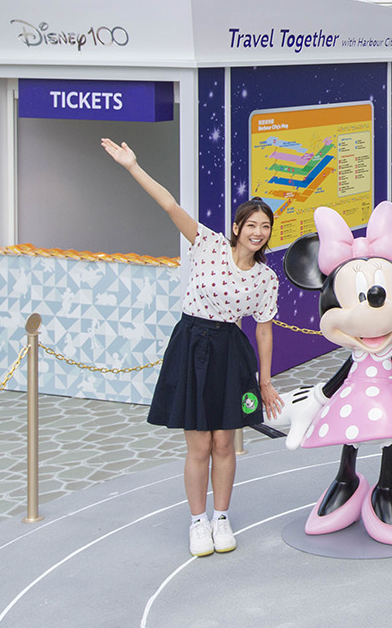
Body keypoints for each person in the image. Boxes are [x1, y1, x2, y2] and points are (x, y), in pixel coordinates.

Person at [100, 138, 283, 558]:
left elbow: (264, 332)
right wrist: (132, 165)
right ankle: (197, 521)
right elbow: (168, 204)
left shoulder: (264, 278)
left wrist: (266, 382)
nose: (258, 232)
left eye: (265, 227)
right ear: (236, 227)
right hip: (192, 345)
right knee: (198, 445)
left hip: (230, 352)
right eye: (251, 225)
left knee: (225, 443)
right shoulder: (208, 244)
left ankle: (221, 517)